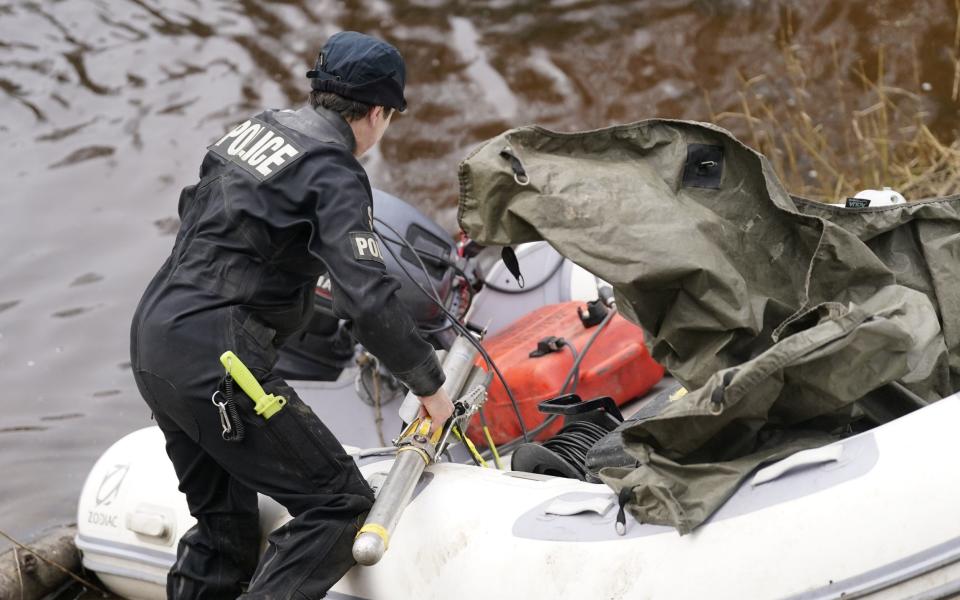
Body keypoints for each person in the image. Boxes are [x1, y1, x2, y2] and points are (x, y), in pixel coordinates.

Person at [129, 31, 454, 599]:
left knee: (224, 530)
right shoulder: (334, 169)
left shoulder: (255, 129)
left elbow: (195, 212)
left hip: (154, 339)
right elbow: (366, 298)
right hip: (219, 361)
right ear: (378, 113)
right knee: (339, 503)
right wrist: (428, 381)